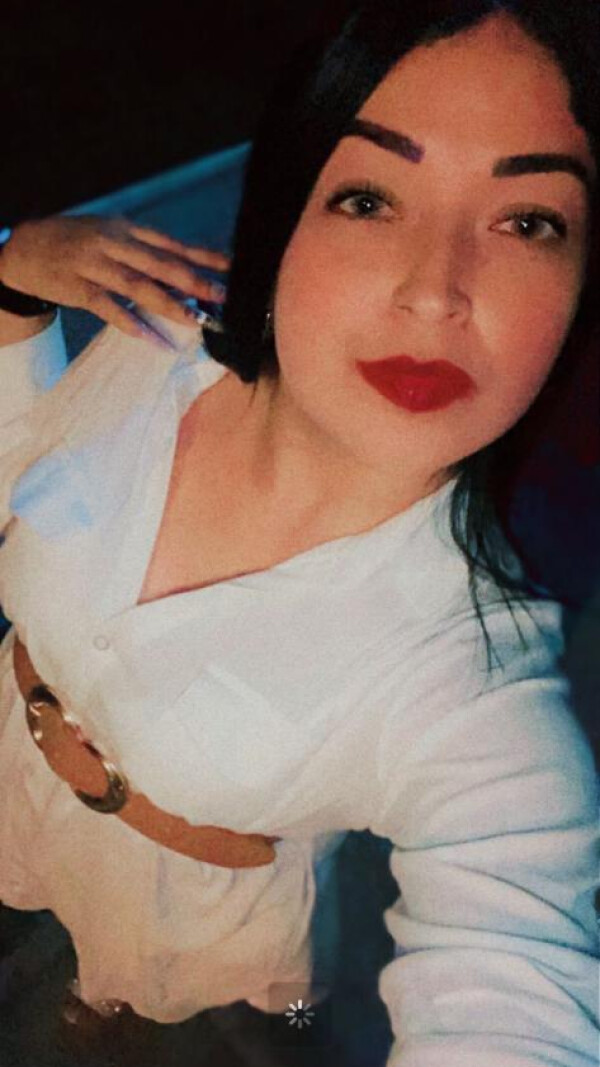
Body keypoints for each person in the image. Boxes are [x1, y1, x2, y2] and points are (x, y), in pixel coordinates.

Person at [0, 0, 598, 1064]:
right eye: (369, 198)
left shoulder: (477, 687)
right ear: (288, 214)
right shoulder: (158, 339)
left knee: (148, 986)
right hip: (16, 778)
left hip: (192, 903)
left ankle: (119, 997)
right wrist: (9, 288)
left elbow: (518, 976)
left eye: (527, 222)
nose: (433, 292)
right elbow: (23, 468)